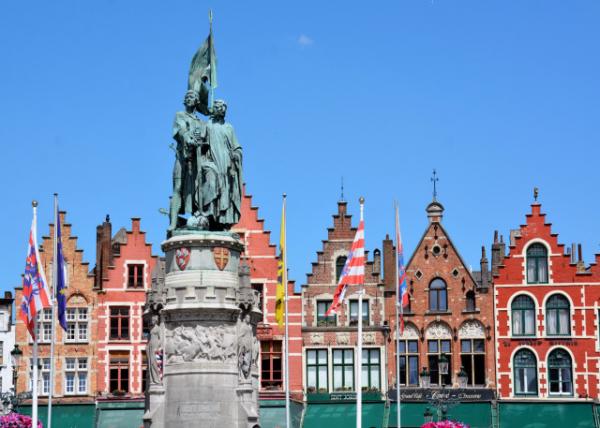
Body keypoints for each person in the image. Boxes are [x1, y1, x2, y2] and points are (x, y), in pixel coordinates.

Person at [168, 90, 205, 231]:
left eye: (193, 97)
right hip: (181, 158)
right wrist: (189, 136)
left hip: (196, 161)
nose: (189, 99)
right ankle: (173, 222)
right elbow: (180, 131)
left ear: (197, 102)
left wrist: (200, 138)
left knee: (196, 189)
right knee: (177, 188)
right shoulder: (180, 115)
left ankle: (197, 217)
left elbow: (204, 139)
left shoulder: (201, 122)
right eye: (187, 97)